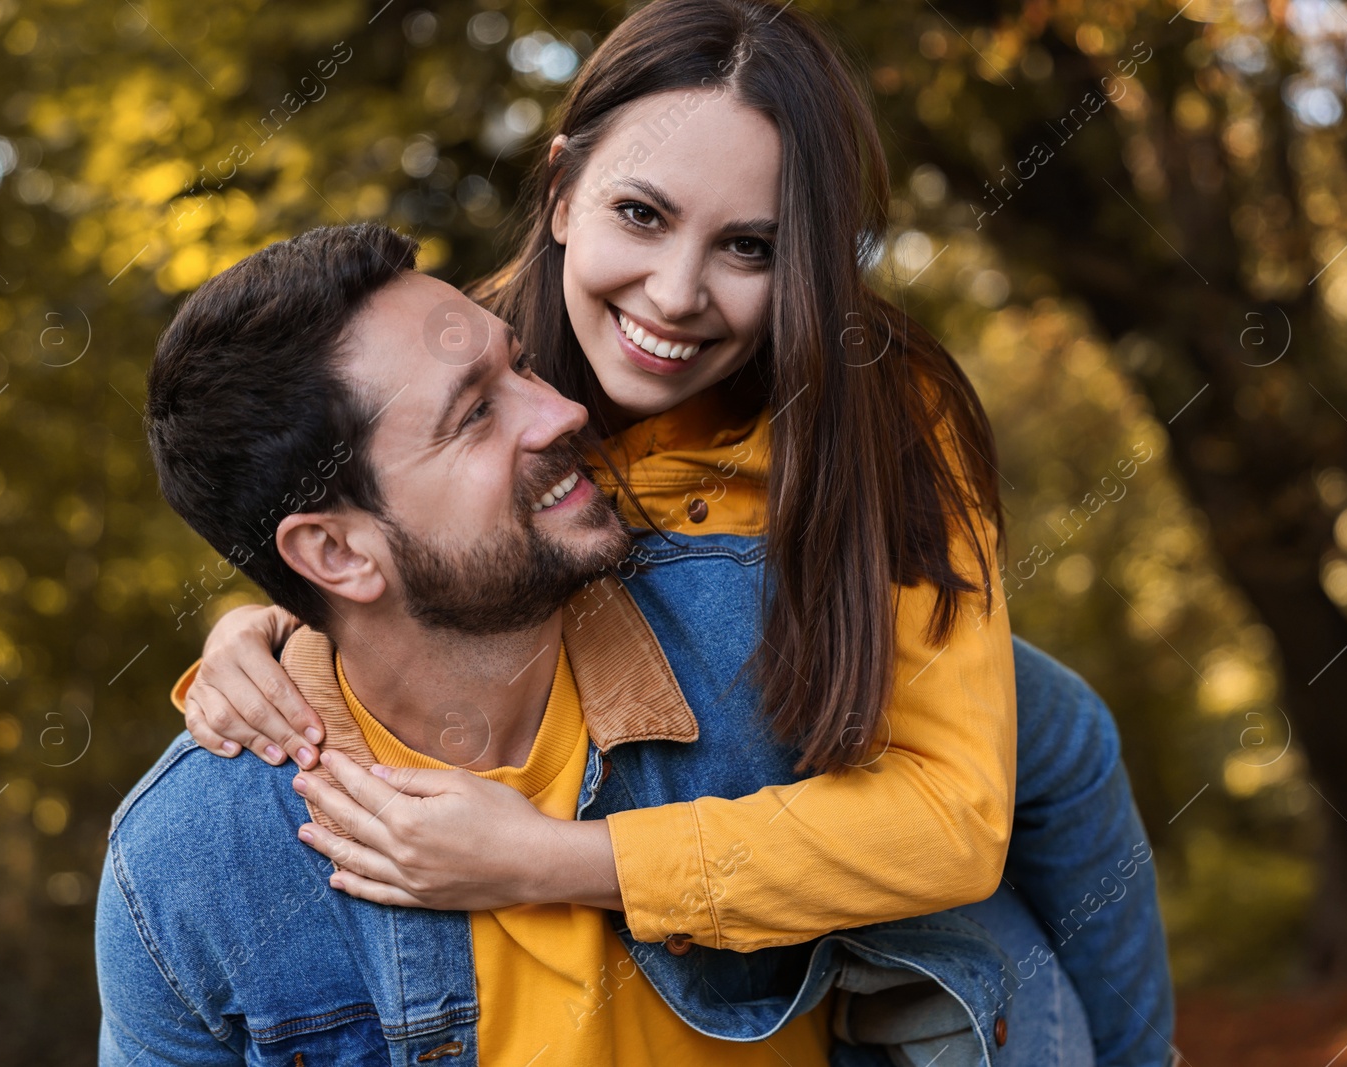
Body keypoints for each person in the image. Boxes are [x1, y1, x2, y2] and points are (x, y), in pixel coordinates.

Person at [169, 2, 1174, 1064]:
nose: (677, 294)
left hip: (819, 739)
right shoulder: (480, 360)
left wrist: (555, 860)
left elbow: (954, 819)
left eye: (749, 246)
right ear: (561, 192)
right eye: (641, 215)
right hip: (686, 768)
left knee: (1054, 726)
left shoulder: (882, 407)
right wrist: (262, 627)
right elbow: (360, 542)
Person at [104, 222, 1093, 1065]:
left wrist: (560, 858)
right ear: (331, 551)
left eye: (521, 364)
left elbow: (1004, 801)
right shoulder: (188, 863)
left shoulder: (769, 639)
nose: (566, 412)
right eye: (476, 414)